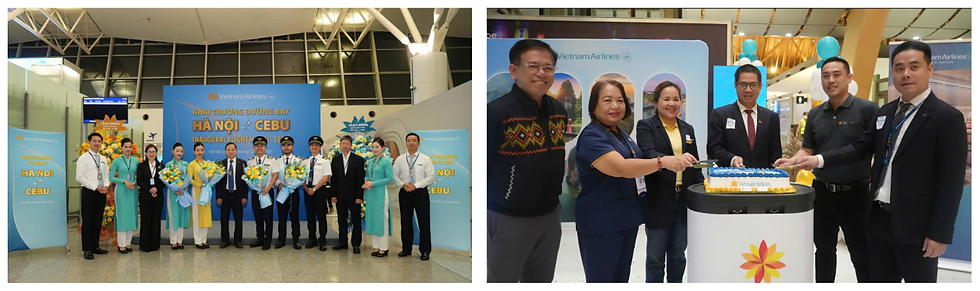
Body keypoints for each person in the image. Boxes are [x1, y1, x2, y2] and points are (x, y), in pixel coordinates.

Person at [796, 41, 967, 282]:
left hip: (915, 226)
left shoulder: (947, 118)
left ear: (929, 69)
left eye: (913, 67)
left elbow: (951, 182)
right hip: (877, 219)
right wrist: (818, 159)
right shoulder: (887, 112)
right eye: (898, 68)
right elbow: (860, 147)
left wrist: (940, 233)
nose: (905, 74)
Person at [575, 80, 694, 282]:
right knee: (602, 279)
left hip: (626, 218)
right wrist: (662, 162)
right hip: (602, 221)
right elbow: (620, 168)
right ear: (593, 106)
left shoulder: (620, 133)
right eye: (607, 100)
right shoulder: (592, 136)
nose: (615, 106)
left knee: (621, 277)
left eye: (620, 100)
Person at [774, 56, 878, 283]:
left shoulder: (867, 109)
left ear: (849, 77)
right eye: (825, 76)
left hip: (856, 194)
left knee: (861, 253)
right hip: (821, 193)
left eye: (836, 75)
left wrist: (819, 160)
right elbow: (807, 150)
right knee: (823, 251)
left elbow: (867, 149)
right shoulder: (815, 114)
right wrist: (791, 160)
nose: (831, 80)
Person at [486, 38, 567, 282]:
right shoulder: (496, 112)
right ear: (514, 70)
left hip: (550, 214)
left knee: (541, 280)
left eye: (548, 67)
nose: (541, 73)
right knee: (503, 280)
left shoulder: (558, 110)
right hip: (509, 217)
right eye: (533, 66)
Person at [636, 81, 703, 283]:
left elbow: (695, 162)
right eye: (666, 99)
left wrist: (701, 188)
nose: (672, 103)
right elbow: (648, 153)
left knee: (678, 256)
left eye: (676, 99)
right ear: (655, 103)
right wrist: (671, 161)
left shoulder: (687, 128)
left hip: (683, 200)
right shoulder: (646, 126)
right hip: (659, 198)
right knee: (655, 258)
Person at [707, 64, 781, 168]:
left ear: (760, 86)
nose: (748, 90)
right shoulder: (720, 115)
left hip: (763, 180)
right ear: (735, 85)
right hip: (730, 180)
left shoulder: (771, 117)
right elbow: (713, 148)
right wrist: (732, 159)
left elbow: (775, 154)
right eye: (743, 84)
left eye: (753, 85)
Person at [393, 133, 436, 260]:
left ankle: (425, 251)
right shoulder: (400, 159)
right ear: (406, 143)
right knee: (405, 222)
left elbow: (431, 177)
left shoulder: (425, 159)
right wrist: (402, 184)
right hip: (405, 192)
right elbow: (394, 176)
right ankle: (406, 248)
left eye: (414, 140)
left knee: (424, 222)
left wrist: (415, 186)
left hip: (420, 193)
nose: (411, 142)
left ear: (418, 143)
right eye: (408, 140)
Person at [75, 132, 111, 260]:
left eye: (99, 141)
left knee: (97, 220)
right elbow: (79, 177)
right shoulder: (83, 158)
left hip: (101, 193)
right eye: (94, 141)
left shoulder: (103, 159)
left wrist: (106, 186)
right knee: (88, 220)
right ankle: (87, 249)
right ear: (89, 142)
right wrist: (95, 187)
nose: (97, 143)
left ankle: (95, 246)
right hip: (89, 192)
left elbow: (106, 175)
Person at [330, 135, 366, 254]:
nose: (345, 145)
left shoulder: (358, 159)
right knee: (341, 220)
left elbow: (360, 179)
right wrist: (333, 195)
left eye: (347, 143)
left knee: (356, 220)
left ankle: (356, 244)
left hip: (354, 196)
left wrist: (359, 196)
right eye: (343, 143)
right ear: (340, 145)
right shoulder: (335, 159)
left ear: (351, 145)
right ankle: (342, 242)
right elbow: (333, 179)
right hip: (340, 196)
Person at [364, 137, 395, 257]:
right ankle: (376, 247)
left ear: (383, 148)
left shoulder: (386, 161)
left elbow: (389, 178)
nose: (374, 149)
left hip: (381, 192)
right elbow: (367, 175)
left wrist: (373, 183)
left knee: (382, 219)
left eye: (377, 147)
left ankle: (384, 248)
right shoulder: (371, 161)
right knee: (373, 219)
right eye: (373, 147)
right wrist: (367, 181)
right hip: (371, 192)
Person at [108, 138, 140, 254]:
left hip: (132, 189)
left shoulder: (136, 161)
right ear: (121, 148)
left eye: (130, 147)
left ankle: (128, 243)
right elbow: (111, 177)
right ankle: (121, 244)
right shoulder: (116, 161)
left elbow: (139, 175)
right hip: (121, 189)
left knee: (131, 215)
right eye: (126, 147)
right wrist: (124, 181)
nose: (128, 149)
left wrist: (134, 182)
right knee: (122, 216)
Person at [248, 136, 279, 250]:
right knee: (258, 217)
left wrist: (267, 188)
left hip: (267, 192)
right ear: (254, 147)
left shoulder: (272, 160)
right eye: (257, 145)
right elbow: (248, 177)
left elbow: (275, 175)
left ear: (265, 147)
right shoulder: (250, 161)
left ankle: (268, 240)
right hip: (256, 193)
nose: (259, 147)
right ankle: (260, 238)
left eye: (261, 145)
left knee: (268, 217)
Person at [301, 136, 331, 251]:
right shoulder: (305, 162)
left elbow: (326, 177)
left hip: (320, 191)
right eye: (312, 145)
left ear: (320, 147)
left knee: (321, 217)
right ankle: (312, 239)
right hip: (307, 191)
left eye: (316, 145)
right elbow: (301, 177)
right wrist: (306, 188)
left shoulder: (324, 161)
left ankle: (322, 240)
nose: (314, 146)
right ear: (309, 147)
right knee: (310, 216)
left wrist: (314, 189)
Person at [216, 142, 248, 249]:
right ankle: (225, 240)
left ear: (236, 150)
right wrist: (218, 196)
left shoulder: (242, 163)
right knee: (224, 219)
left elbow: (245, 182)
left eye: (233, 149)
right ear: (225, 151)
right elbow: (218, 182)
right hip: (224, 195)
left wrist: (245, 196)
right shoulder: (221, 163)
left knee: (238, 219)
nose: (231, 151)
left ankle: (237, 240)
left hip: (238, 195)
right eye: (228, 150)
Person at [137, 144, 166, 252]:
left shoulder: (161, 166)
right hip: (145, 196)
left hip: (158, 197)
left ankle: (155, 244)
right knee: (146, 220)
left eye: (153, 151)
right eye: (149, 152)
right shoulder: (141, 166)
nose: (151, 154)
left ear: (156, 153)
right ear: (146, 153)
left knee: (155, 220)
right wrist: (150, 189)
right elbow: (140, 180)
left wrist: (156, 189)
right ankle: (145, 245)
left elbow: (164, 181)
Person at [276, 136, 302, 250]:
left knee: (294, 217)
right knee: (282, 217)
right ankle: (281, 240)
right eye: (284, 145)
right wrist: (278, 184)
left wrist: (294, 185)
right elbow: (274, 176)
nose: (286, 147)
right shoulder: (276, 161)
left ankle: (296, 240)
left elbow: (302, 177)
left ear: (293, 147)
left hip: (293, 192)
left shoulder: (298, 160)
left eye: (288, 145)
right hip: (281, 191)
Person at [187, 142, 213, 249]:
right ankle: (198, 240)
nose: (200, 152)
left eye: (202, 150)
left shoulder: (208, 164)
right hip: (197, 191)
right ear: (194, 151)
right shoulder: (192, 164)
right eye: (197, 150)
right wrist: (199, 185)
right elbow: (189, 179)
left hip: (206, 191)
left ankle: (204, 239)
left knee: (205, 215)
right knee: (197, 215)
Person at [165, 142, 190, 250]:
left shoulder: (186, 164)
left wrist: (184, 188)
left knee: (181, 216)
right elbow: (167, 180)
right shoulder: (168, 165)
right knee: (173, 216)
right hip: (172, 193)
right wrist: (175, 189)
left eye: (181, 151)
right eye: (177, 151)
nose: (179, 153)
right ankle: (173, 240)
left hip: (183, 193)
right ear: (173, 151)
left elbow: (188, 179)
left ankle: (180, 240)